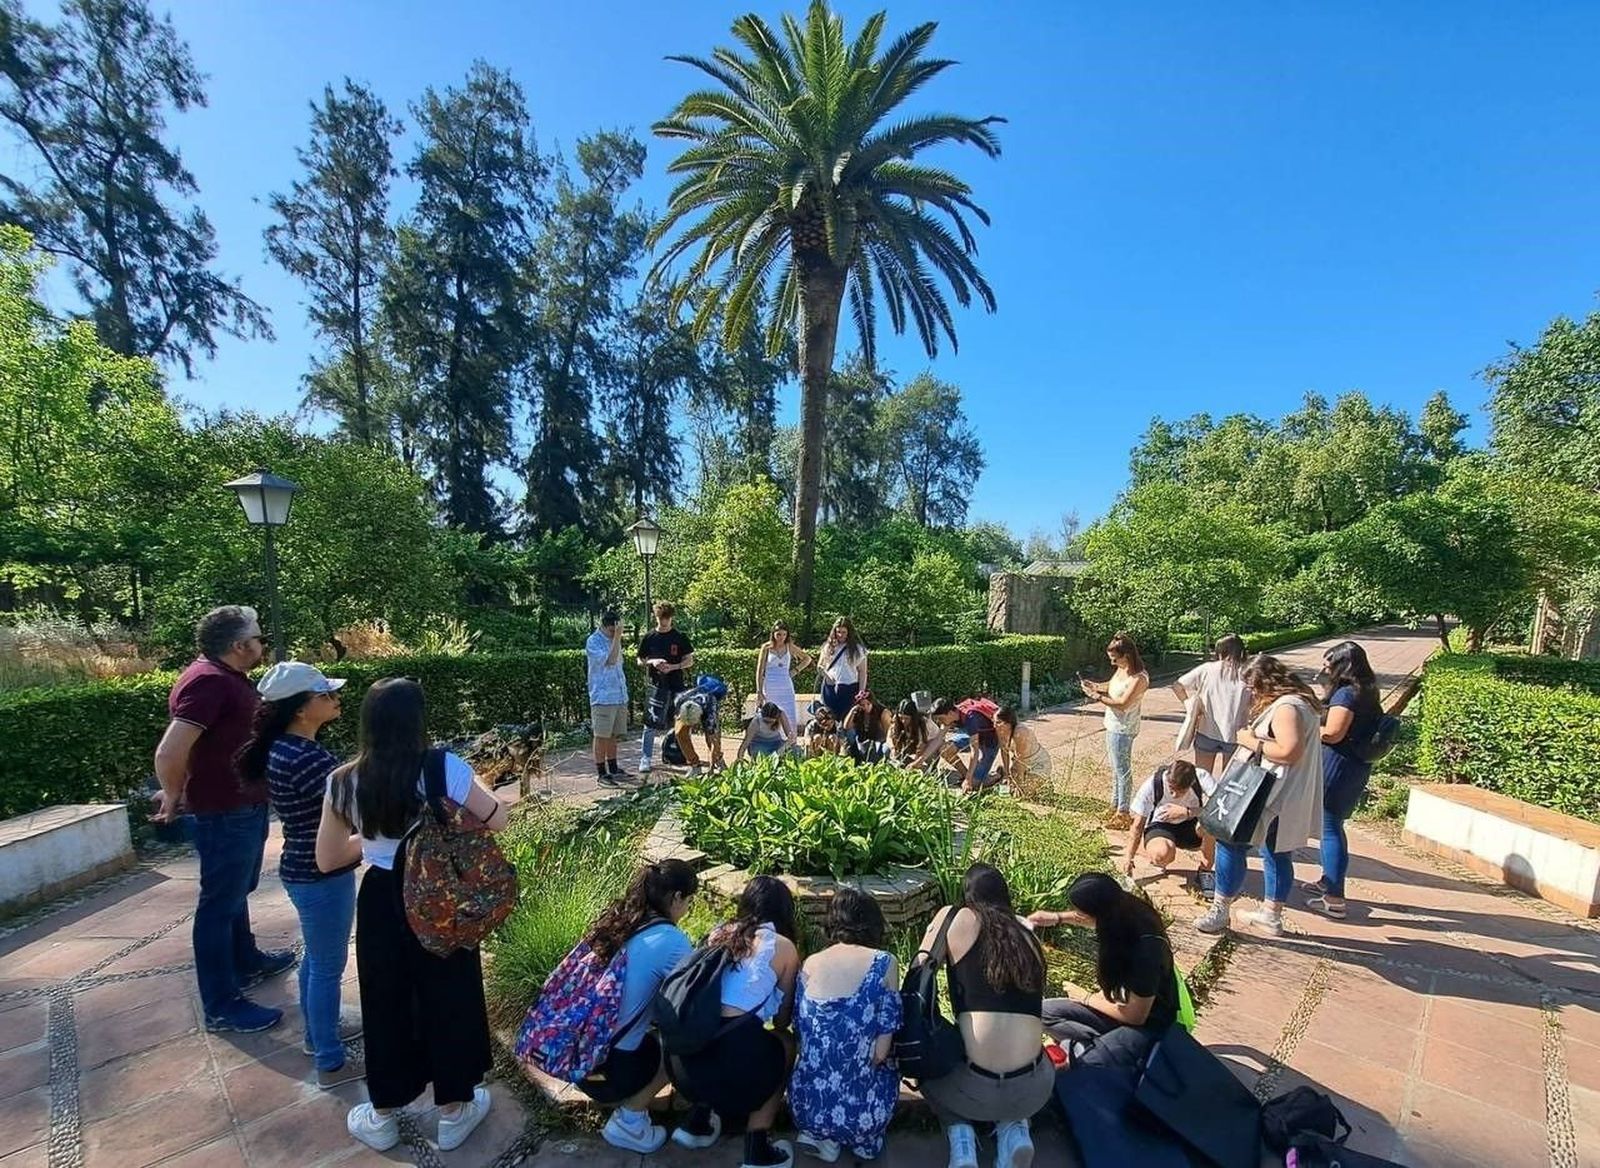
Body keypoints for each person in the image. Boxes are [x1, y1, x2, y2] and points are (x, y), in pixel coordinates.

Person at [315, 678, 508, 1154]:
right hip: (440, 895)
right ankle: (454, 1110)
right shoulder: (443, 767)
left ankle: (381, 1113)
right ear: (417, 721)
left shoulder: (344, 780)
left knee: (385, 999)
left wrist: (379, 841)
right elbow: (497, 819)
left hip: (382, 896)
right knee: (450, 992)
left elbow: (327, 857)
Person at [152, 605, 295, 1034]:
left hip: (241, 805)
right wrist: (174, 793)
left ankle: (245, 959)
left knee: (234, 894)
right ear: (238, 645)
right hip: (224, 810)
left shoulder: (224, 677)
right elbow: (170, 750)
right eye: (257, 637)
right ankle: (221, 1002)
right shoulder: (208, 682)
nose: (261, 643)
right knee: (218, 904)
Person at [237, 662, 362, 1088]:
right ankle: (328, 1053)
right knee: (328, 965)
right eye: (325, 695)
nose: (334, 699)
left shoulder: (286, 749)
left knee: (317, 957)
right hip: (321, 875)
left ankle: (317, 1033)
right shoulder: (306, 758)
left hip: (303, 869)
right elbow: (355, 808)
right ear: (300, 709)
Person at [914, 864, 1052, 1168]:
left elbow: (918, 969)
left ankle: (961, 1139)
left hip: (975, 1086)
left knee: (928, 1068)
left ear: (968, 895)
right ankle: (1014, 1129)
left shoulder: (956, 917)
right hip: (1035, 1087)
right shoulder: (1027, 935)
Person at [667, 876, 801, 1168]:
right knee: (786, 1043)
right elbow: (782, 1021)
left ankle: (698, 1121)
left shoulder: (718, 932)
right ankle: (757, 1146)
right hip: (733, 1066)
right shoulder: (783, 947)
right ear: (784, 911)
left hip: (683, 1065)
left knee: (713, 1030)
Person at [1195, 655, 1324, 938]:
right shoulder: (1302, 703)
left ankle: (1220, 909)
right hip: (1284, 793)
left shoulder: (1287, 707)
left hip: (1269, 793)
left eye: (1253, 687)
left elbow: (1289, 751)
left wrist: (1249, 742)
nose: (1252, 693)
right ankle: (1270, 915)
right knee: (1277, 853)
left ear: (1268, 682)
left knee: (1230, 842)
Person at [578, 859, 700, 1154]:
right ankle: (629, 1121)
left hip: (578, 1057)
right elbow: (696, 1003)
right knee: (681, 1051)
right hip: (609, 1073)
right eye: (690, 901)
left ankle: (627, 1105)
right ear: (677, 898)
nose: (688, 909)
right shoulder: (672, 942)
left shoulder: (620, 921)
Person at [789, 888, 903, 1162]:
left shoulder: (810, 963)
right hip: (863, 1115)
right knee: (890, 1057)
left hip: (805, 1105)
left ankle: (823, 1135)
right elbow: (880, 1053)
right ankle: (862, 1141)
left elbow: (802, 1035)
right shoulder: (884, 963)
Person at [1028, 872, 1180, 1064]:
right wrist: (1057, 917)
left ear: (1099, 914)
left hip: (1146, 1026)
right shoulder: (1126, 909)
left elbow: (1136, 1016)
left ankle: (1095, 1049)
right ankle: (1088, 1045)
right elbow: (1090, 918)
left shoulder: (1145, 952)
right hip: (1122, 1003)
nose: (1077, 915)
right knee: (1042, 1012)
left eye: (1080, 911)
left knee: (1077, 1052)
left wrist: (1085, 997)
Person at [1308, 641, 1383, 920]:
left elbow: (1333, 733)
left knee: (1330, 827)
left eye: (1328, 665)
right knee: (1333, 825)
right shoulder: (1367, 690)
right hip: (1354, 765)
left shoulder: (1346, 695)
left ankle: (1334, 897)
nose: (1325, 670)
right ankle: (1328, 881)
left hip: (1338, 765)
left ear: (1343, 666)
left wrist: (1304, 730)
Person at [1081, 632, 1150, 829]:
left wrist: (1096, 697)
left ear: (1126, 656)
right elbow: (1111, 686)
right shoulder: (1121, 670)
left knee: (1123, 771)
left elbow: (1122, 703)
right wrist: (1095, 686)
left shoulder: (1139, 678)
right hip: (1112, 725)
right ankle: (1115, 805)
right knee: (1116, 769)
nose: (1112, 662)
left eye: (1114, 658)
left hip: (1124, 728)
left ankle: (1123, 812)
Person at [1170, 633, 1251, 778]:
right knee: (1227, 783)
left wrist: (1188, 704)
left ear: (1220, 651)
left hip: (1206, 731)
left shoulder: (1207, 669)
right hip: (1235, 735)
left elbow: (1177, 685)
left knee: (1202, 779)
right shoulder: (1248, 673)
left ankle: (1201, 801)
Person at [1123, 759, 1216, 877]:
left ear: (1192, 783)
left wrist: (1187, 812)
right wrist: (1129, 858)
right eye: (1171, 789)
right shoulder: (1153, 784)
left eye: (1181, 791)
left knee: (1212, 823)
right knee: (1162, 854)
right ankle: (1156, 854)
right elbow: (1137, 825)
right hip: (1161, 825)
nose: (1174, 795)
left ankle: (1205, 870)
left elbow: (1222, 808)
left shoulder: (1201, 777)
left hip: (1191, 824)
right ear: (1167, 777)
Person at [637, 603, 694, 775]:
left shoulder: (679, 637)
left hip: (677, 685)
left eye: (667, 619)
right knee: (650, 723)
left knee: (682, 722)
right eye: (661, 618)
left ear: (671, 618)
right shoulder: (649, 637)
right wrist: (652, 662)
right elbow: (639, 660)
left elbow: (689, 660)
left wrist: (674, 666)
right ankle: (645, 758)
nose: (664, 622)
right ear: (656, 617)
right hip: (657, 687)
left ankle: (687, 756)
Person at [586, 611, 630, 786]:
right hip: (603, 696)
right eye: (613, 630)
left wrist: (616, 638)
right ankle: (601, 773)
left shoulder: (615, 640)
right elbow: (611, 660)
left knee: (613, 734)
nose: (615, 632)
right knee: (601, 735)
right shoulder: (593, 641)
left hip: (618, 695)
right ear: (605, 626)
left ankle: (613, 768)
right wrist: (617, 637)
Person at [931, 698, 1002, 793]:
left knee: (974, 784)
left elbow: (974, 751)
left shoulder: (971, 718)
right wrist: (918, 762)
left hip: (989, 741)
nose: (940, 722)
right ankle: (966, 775)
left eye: (941, 718)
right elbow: (937, 740)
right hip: (971, 734)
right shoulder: (953, 715)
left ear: (950, 713)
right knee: (945, 749)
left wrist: (969, 780)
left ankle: (997, 775)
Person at [755, 621, 812, 734]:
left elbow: (807, 659)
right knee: (771, 712)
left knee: (788, 712)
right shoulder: (766, 647)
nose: (781, 637)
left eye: (784, 634)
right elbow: (760, 670)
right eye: (778, 634)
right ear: (773, 634)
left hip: (785, 684)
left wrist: (794, 671)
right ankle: (771, 739)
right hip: (770, 684)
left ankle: (790, 741)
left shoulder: (789, 646)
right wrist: (759, 691)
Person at [817, 617, 868, 720]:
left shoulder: (858, 649)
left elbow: (862, 672)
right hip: (830, 687)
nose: (840, 635)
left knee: (847, 719)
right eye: (838, 632)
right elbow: (820, 666)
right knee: (830, 718)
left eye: (844, 632)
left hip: (850, 687)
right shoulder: (828, 647)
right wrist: (827, 677)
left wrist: (861, 692)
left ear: (849, 632)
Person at [673, 677, 728, 775]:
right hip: (688, 707)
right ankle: (694, 765)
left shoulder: (710, 706)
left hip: (707, 705)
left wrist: (710, 770)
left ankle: (718, 760)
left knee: (712, 739)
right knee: (679, 733)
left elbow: (713, 741)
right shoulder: (678, 700)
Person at [994, 707, 1051, 795]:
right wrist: (1006, 774)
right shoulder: (1000, 730)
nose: (994, 725)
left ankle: (1045, 784)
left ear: (1008, 723)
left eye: (998, 722)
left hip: (1037, 764)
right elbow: (1004, 752)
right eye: (994, 722)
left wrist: (1019, 784)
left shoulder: (1020, 733)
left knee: (1022, 792)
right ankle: (1003, 772)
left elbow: (1021, 759)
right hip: (1018, 763)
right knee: (1008, 788)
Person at [891, 698, 945, 770]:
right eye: (901, 718)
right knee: (887, 749)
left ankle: (928, 767)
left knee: (920, 762)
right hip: (912, 746)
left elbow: (921, 746)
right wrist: (892, 749)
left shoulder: (924, 723)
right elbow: (890, 735)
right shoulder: (897, 720)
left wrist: (915, 763)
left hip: (930, 748)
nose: (903, 721)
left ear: (913, 717)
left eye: (906, 718)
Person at [842, 690, 892, 762]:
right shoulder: (858, 712)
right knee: (849, 734)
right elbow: (846, 726)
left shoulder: (882, 712)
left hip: (879, 742)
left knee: (886, 749)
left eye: (868, 704)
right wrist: (852, 711)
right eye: (863, 705)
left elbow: (889, 733)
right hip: (863, 741)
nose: (866, 707)